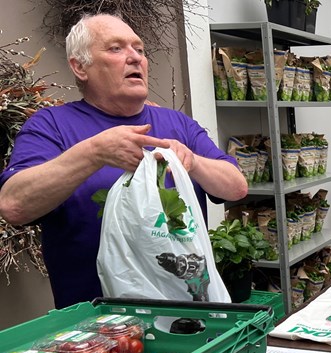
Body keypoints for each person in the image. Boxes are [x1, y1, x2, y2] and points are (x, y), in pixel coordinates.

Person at [0, 14, 248, 309]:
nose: (135, 58)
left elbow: (236, 188)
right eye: (116, 48)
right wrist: (94, 153)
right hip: (96, 327)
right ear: (80, 66)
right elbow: (14, 205)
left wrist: (193, 161)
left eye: (139, 49)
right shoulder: (51, 125)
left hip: (189, 315)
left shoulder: (177, 124)